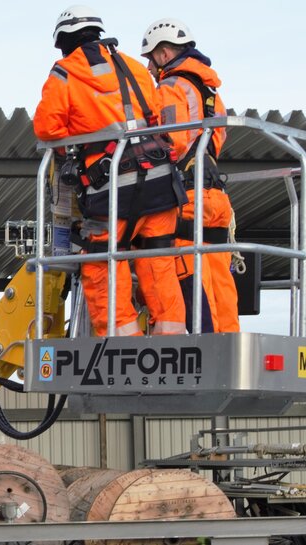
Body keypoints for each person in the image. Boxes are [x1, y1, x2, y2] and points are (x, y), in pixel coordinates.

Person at [35, 5, 186, 337]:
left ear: (63, 41)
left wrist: (73, 148)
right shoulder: (135, 67)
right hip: (161, 181)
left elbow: (47, 128)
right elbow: (161, 119)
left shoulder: (65, 72)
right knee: (158, 260)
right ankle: (173, 340)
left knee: (101, 263)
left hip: (111, 187)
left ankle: (122, 345)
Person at [141, 18, 239, 333]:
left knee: (192, 283)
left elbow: (174, 141)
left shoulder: (171, 86)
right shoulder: (209, 90)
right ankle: (229, 358)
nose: (150, 67)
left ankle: (210, 360)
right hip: (214, 197)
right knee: (219, 288)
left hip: (189, 197)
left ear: (165, 53)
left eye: (151, 58)